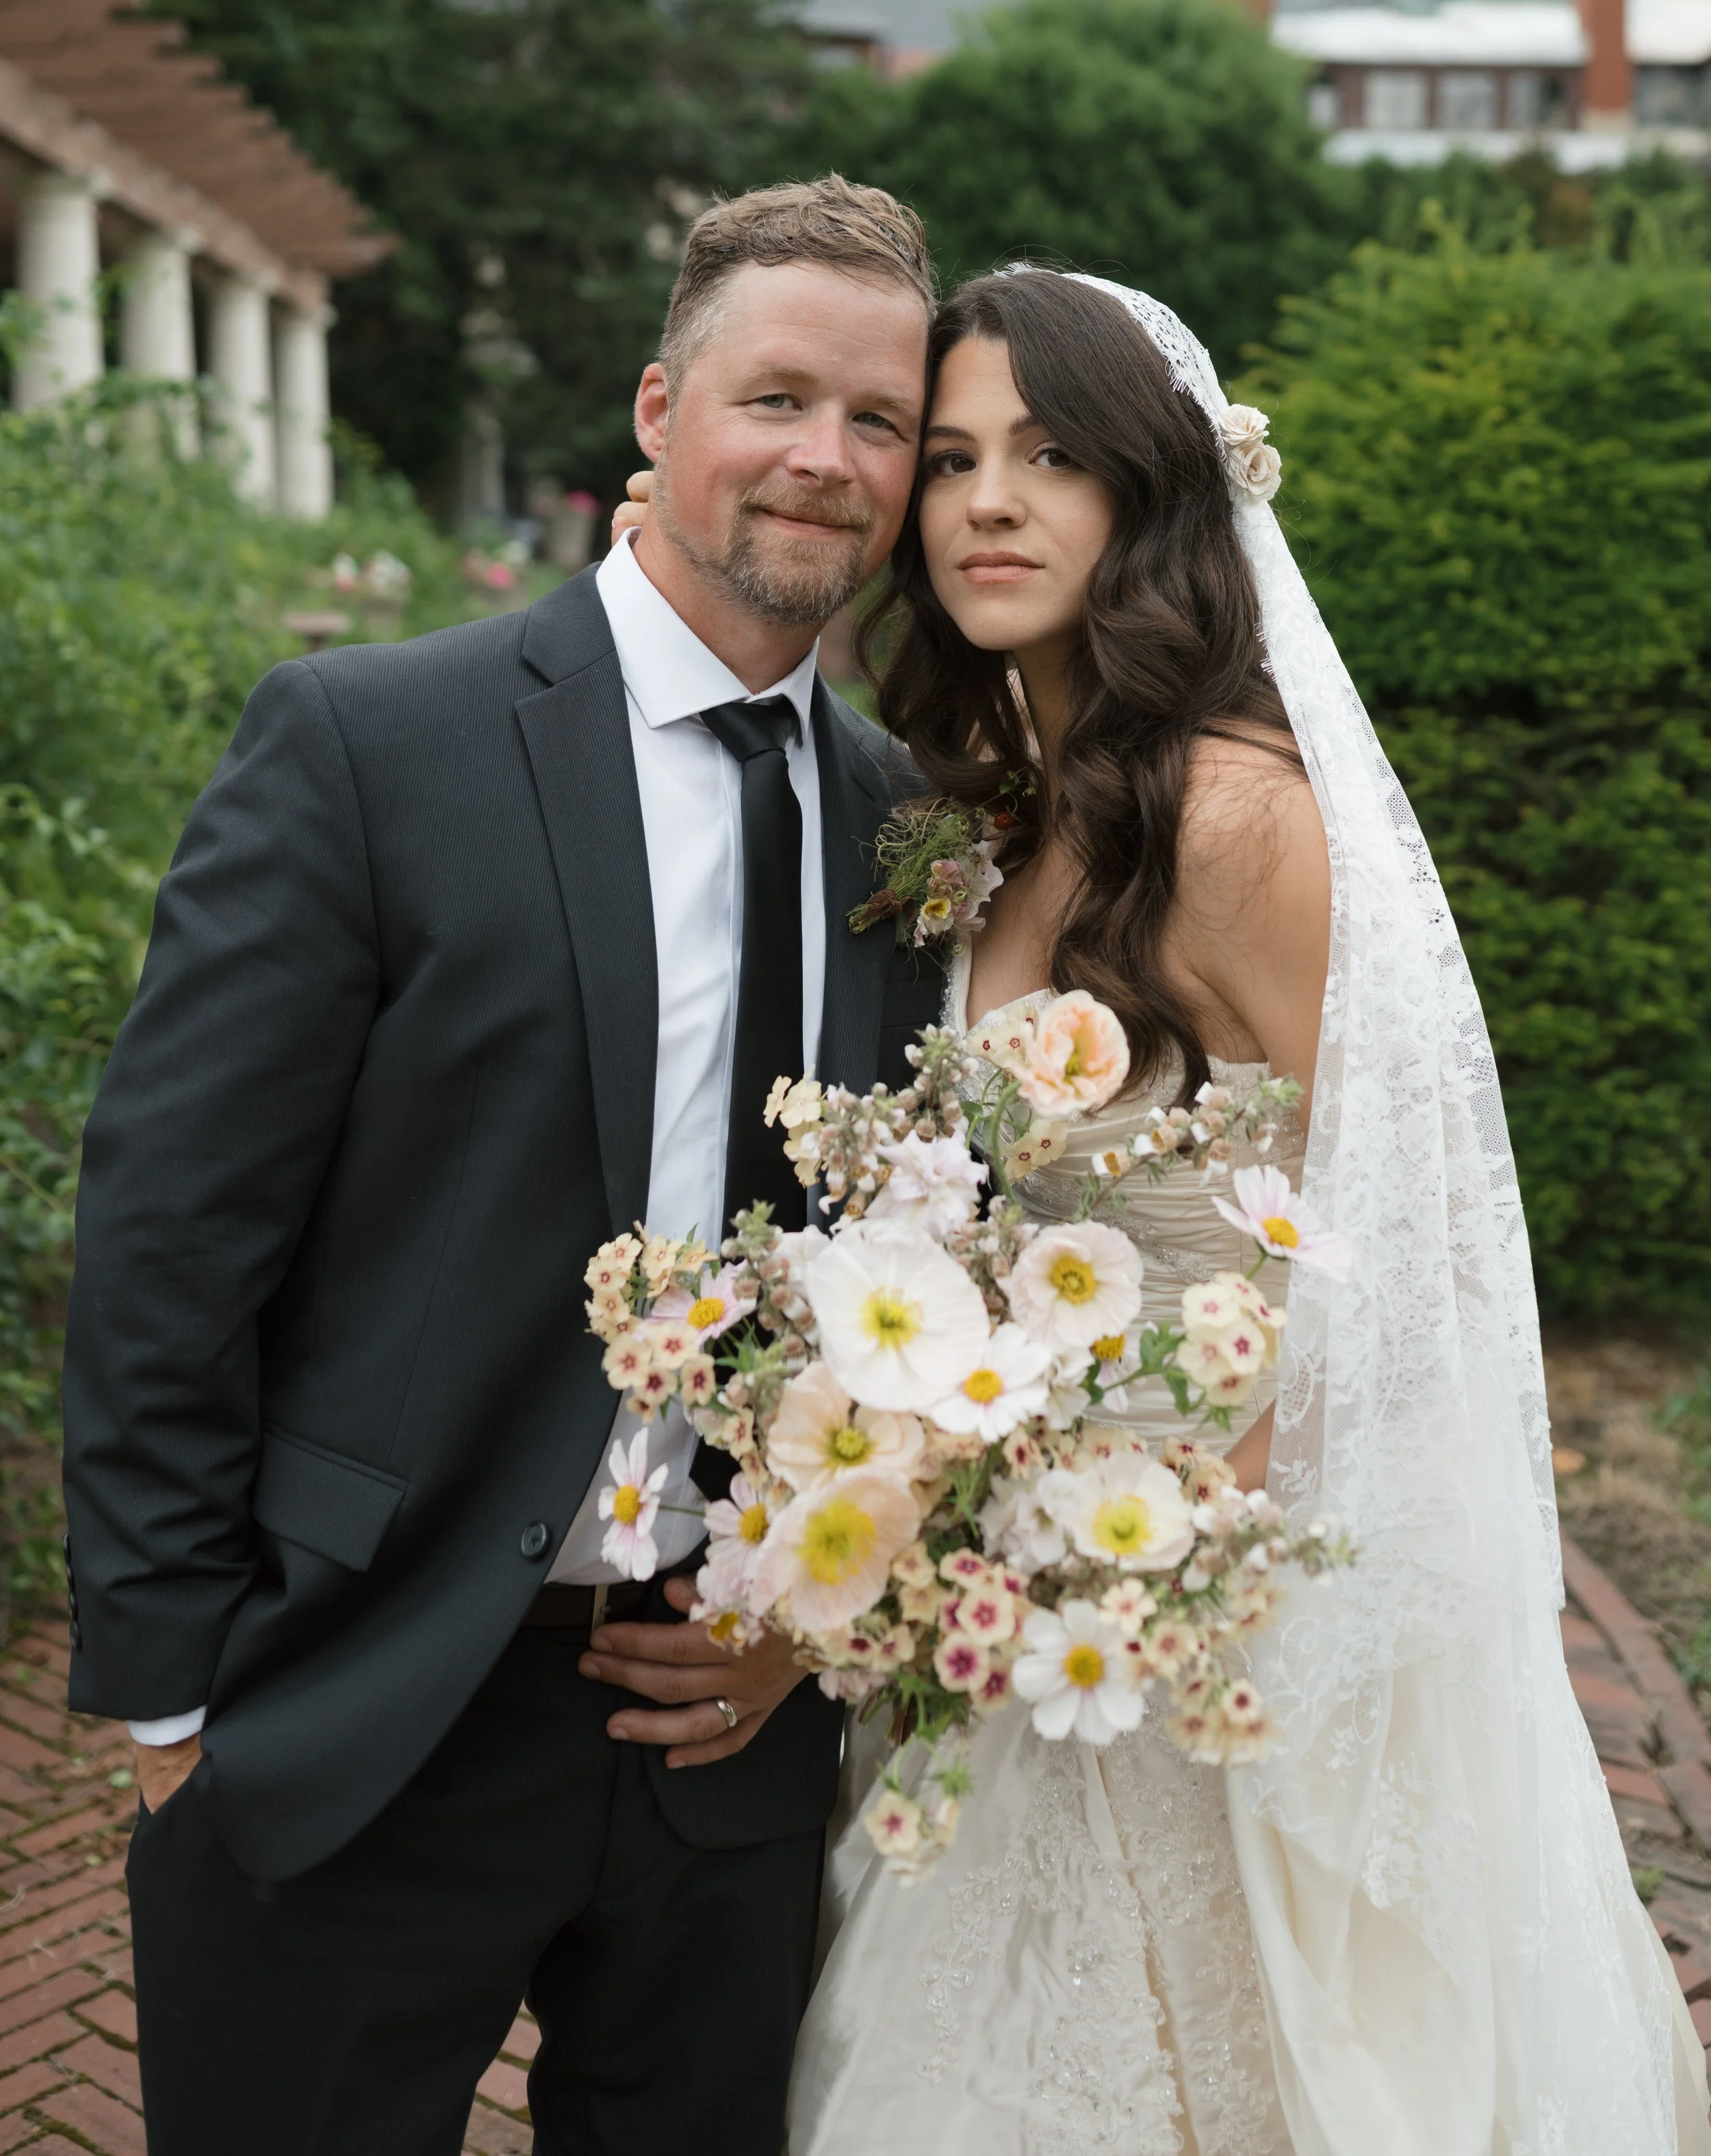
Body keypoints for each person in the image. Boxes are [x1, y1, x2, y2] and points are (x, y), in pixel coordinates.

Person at [617, 265, 1711, 2155]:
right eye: (948, 455)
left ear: (1149, 493)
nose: (982, 501)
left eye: (1048, 455)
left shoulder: (1233, 814)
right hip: (996, 1608)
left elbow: (1411, 1230)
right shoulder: (976, 815)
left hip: (1203, 1603)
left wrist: (1199, 1537)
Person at [59, 174, 948, 2156]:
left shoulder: (913, 828)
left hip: (721, 1732)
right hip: (364, 1703)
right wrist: (171, 1696)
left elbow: (906, 1266)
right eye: (778, 396)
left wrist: (802, 1616)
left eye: (879, 421)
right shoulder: (370, 743)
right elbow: (176, 1228)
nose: (826, 458)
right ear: (657, 406)